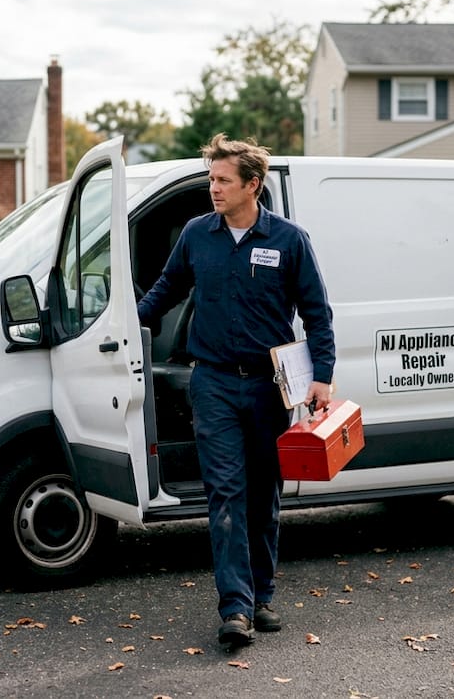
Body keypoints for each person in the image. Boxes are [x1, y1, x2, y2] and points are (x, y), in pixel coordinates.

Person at [137, 133, 335, 647]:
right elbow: (166, 288)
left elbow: (317, 314)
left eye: (223, 180)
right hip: (214, 383)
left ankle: (263, 595)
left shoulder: (289, 240)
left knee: (264, 496)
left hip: (270, 388)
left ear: (253, 184)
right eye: (211, 179)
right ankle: (236, 610)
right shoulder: (197, 234)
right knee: (225, 493)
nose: (213, 188)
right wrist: (118, 329)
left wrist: (323, 374)